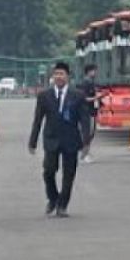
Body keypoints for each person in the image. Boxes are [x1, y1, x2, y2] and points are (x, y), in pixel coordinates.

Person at [28, 62, 88, 218]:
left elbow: (84, 120)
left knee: (69, 174)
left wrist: (86, 142)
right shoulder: (44, 96)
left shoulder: (78, 95)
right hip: (51, 139)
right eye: (56, 74)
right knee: (48, 171)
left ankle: (62, 205)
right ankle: (53, 197)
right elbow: (38, 119)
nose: (59, 77)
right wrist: (32, 141)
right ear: (52, 77)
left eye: (62, 74)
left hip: (71, 139)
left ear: (68, 76)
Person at [78, 63, 101, 163]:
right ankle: (84, 153)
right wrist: (97, 97)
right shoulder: (85, 83)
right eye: (94, 70)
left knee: (91, 132)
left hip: (92, 110)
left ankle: (86, 151)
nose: (95, 72)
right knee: (87, 133)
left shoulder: (92, 82)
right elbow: (84, 98)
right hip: (86, 111)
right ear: (89, 71)